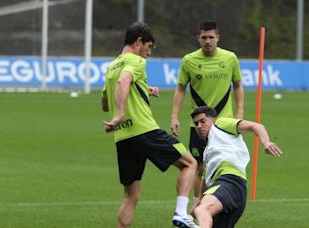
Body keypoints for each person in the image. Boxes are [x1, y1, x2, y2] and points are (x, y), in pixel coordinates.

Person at [101, 22, 199, 228]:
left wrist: (143, 90)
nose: (149, 53)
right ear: (139, 42)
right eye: (149, 46)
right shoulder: (135, 61)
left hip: (123, 137)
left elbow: (105, 102)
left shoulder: (112, 67)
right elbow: (124, 82)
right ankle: (181, 213)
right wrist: (120, 113)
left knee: (131, 196)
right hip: (144, 130)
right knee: (190, 164)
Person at [170, 20, 244, 202]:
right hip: (198, 125)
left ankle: (218, 200)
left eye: (211, 37)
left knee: (223, 164)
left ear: (218, 37)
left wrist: (240, 111)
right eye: (204, 37)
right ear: (198, 38)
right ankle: (198, 203)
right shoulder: (189, 60)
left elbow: (238, 85)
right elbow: (180, 89)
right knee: (198, 166)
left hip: (224, 123)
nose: (208, 41)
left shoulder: (230, 58)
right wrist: (174, 116)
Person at [189, 106, 282, 228]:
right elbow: (204, 183)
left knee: (202, 210)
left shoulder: (220, 124)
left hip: (230, 182)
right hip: (231, 190)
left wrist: (266, 143)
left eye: (203, 121)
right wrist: (193, 210)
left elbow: (256, 126)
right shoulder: (207, 152)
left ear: (214, 120)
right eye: (196, 124)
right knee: (202, 211)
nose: (199, 126)